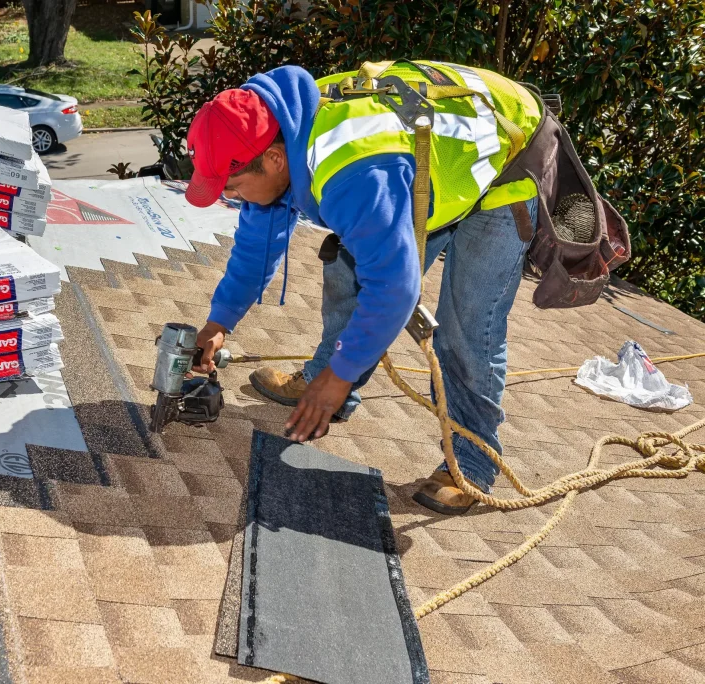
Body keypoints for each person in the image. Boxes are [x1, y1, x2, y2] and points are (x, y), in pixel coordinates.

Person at [183, 60, 549, 515]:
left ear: (275, 160)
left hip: (502, 166)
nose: (231, 196)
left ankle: (471, 463)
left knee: (467, 329)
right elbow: (258, 244)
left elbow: (394, 290)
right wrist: (218, 324)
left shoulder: (353, 170)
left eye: (233, 185)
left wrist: (342, 375)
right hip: (422, 164)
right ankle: (323, 383)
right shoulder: (278, 131)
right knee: (347, 269)